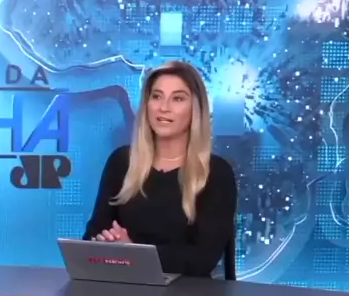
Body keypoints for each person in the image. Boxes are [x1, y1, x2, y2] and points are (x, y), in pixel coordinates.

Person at [83, 60, 237, 277]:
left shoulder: (216, 173)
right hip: (122, 288)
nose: (164, 107)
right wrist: (105, 243)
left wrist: (133, 253)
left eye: (178, 98)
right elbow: (93, 235)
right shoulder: (121, 162)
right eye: (156, 96)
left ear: (195, 109)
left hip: (189, 295)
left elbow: (203, 258)